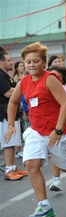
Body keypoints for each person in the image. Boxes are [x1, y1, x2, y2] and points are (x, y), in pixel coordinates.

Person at [4, 42, 66, 217]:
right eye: (28, 62)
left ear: (44, 63)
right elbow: (13, 102)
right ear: (24, 64)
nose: (32, 64)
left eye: (36, 61)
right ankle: (44, 206)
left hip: (57, 131)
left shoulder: (50, 79)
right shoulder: (24, 82)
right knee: (31, 164)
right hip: (35, 130)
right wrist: (11, 124)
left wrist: (58, 131)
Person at [0, 48, 28, 180]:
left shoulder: (5, 75)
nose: (12, 62)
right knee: (9, 142)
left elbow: (13, 90)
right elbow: (8, 92)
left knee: (13, 140)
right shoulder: (0, 75)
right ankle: (9, 170)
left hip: (11, 112)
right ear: (1, 62)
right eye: (9, 60)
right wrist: (23, 88)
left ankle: (13, 167)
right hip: (5, 113)